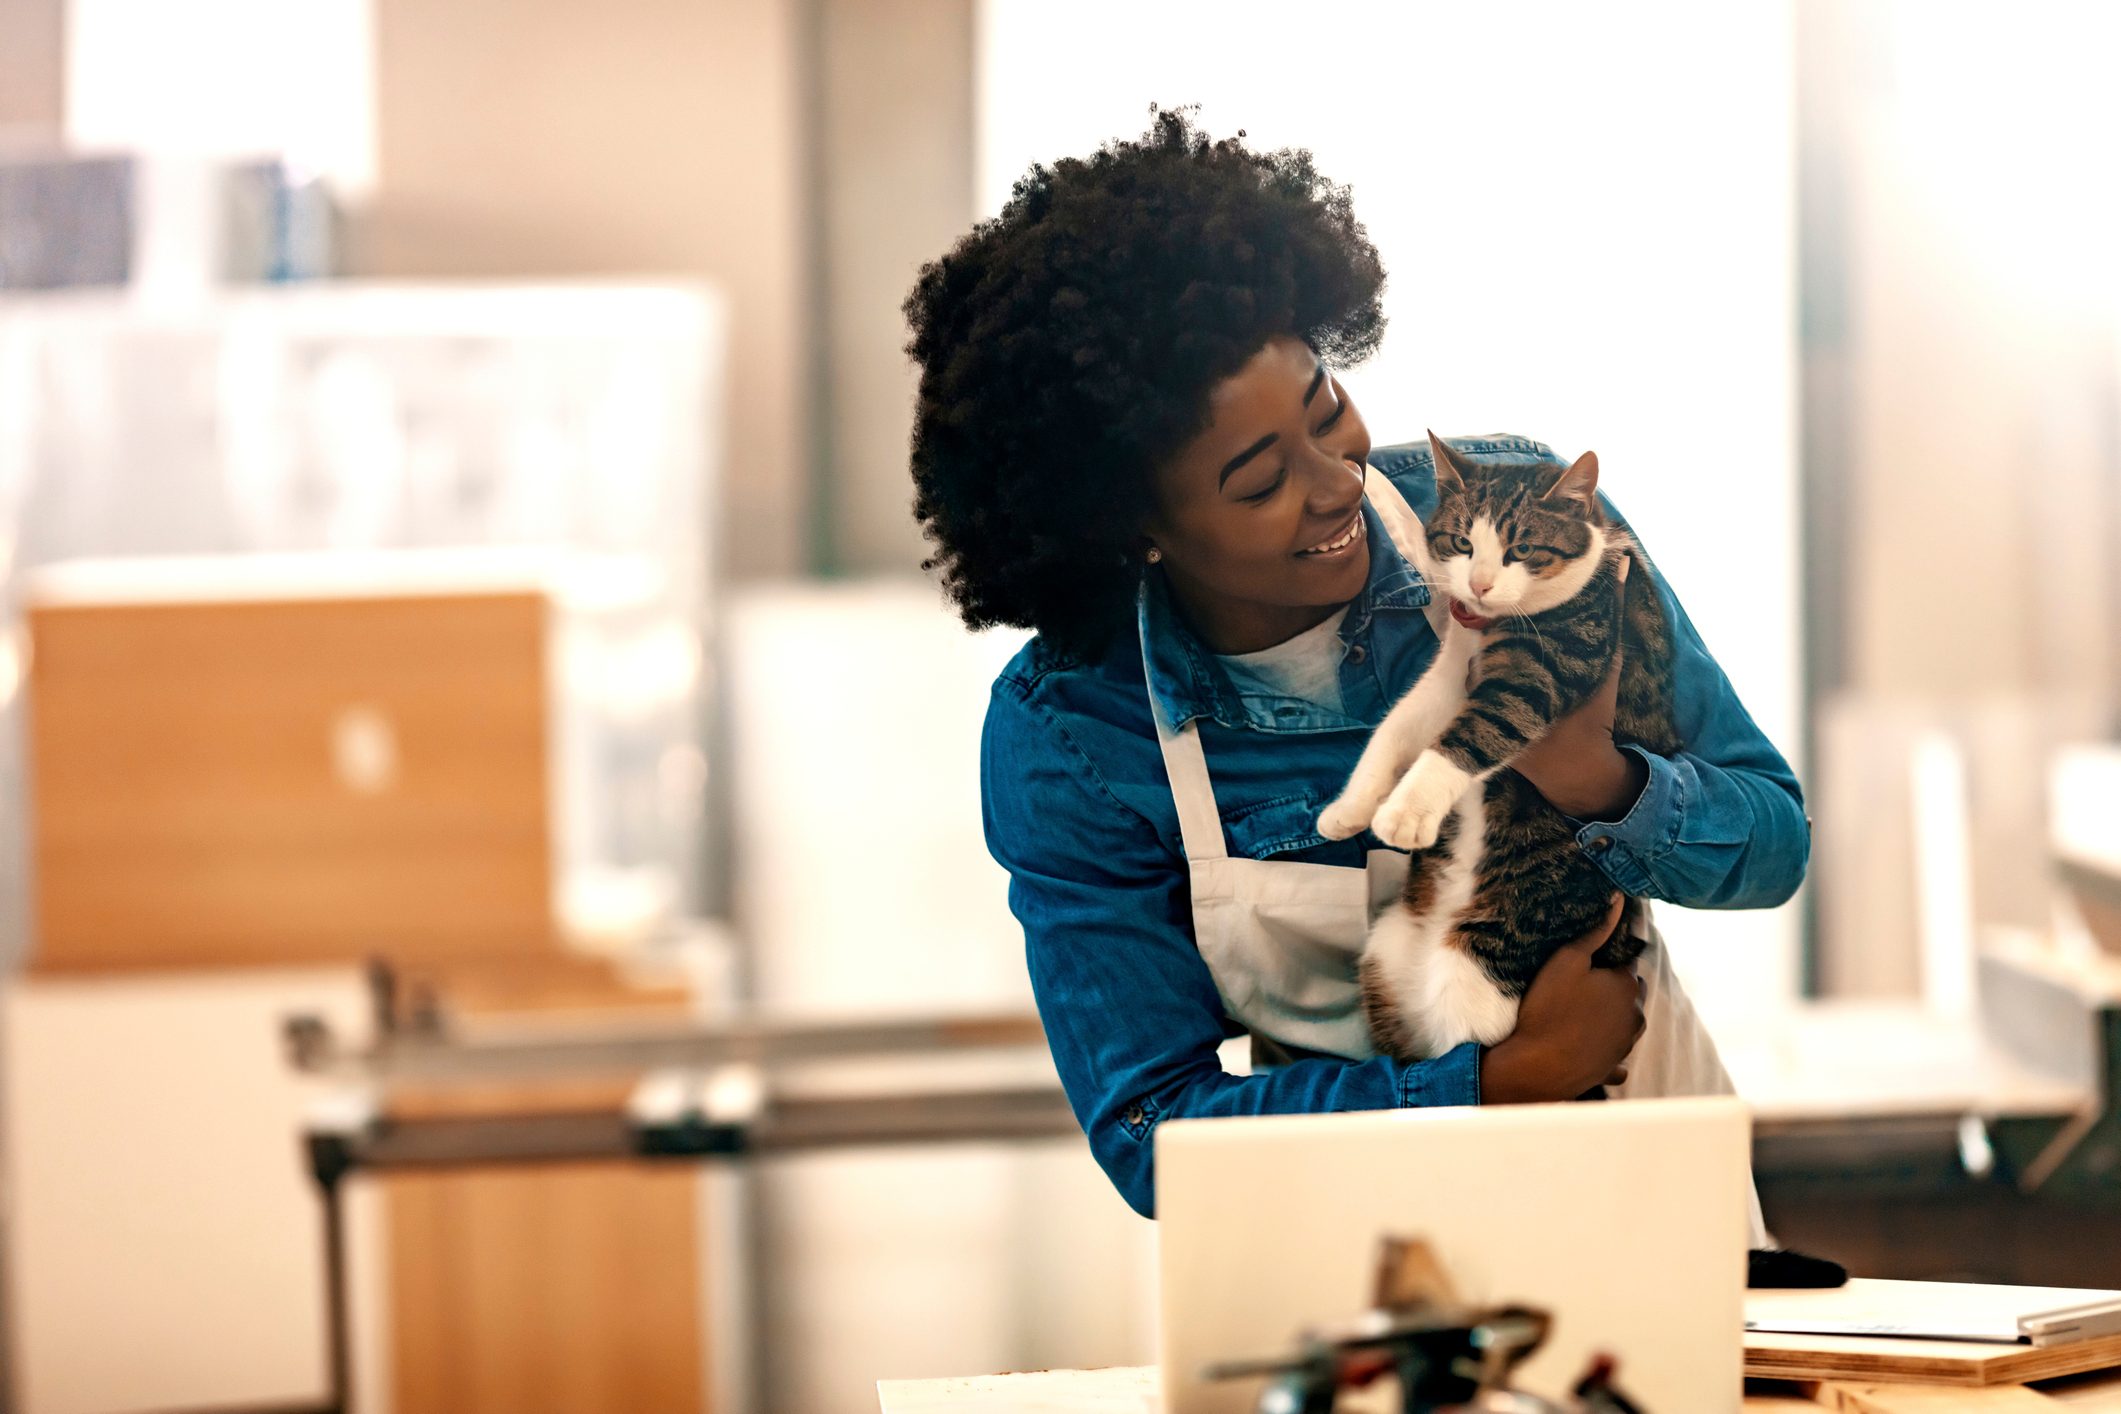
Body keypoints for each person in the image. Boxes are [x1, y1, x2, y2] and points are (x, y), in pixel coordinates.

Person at [903, 109, 1808, 1220]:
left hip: (1653, 1185)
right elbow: (1154, 1132)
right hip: (1349, 1245)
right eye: (1257, 480)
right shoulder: (1076, 736)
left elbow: (1773, 840)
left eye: (1326, 407)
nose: (1335, 483)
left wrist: (1595, 779)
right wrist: (1491, 1085)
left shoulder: (1522, 524)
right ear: (1134, 527)